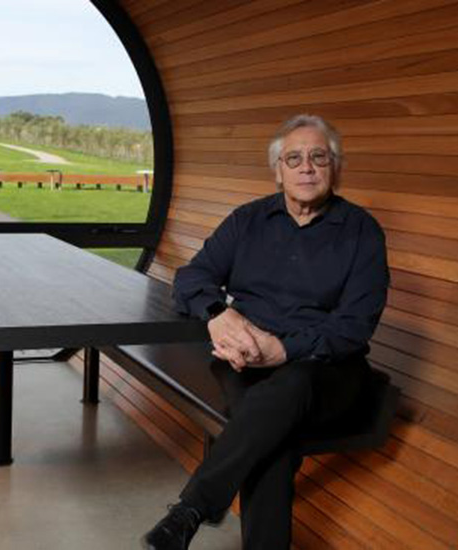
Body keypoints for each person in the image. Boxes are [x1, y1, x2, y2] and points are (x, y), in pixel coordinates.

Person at [141, 114, 389, 550]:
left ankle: (191, 510)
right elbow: (191, 278)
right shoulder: (247, 220)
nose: (306, 167)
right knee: (271, 438)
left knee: (286, 390)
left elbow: (354, 327)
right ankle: (194, 514)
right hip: (245, 361)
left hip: (330, 373)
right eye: (293, 158)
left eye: (318, 157)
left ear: (335, 167)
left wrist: (284, 350)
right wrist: (218, 314)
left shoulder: (361, 232)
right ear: (278, 171)